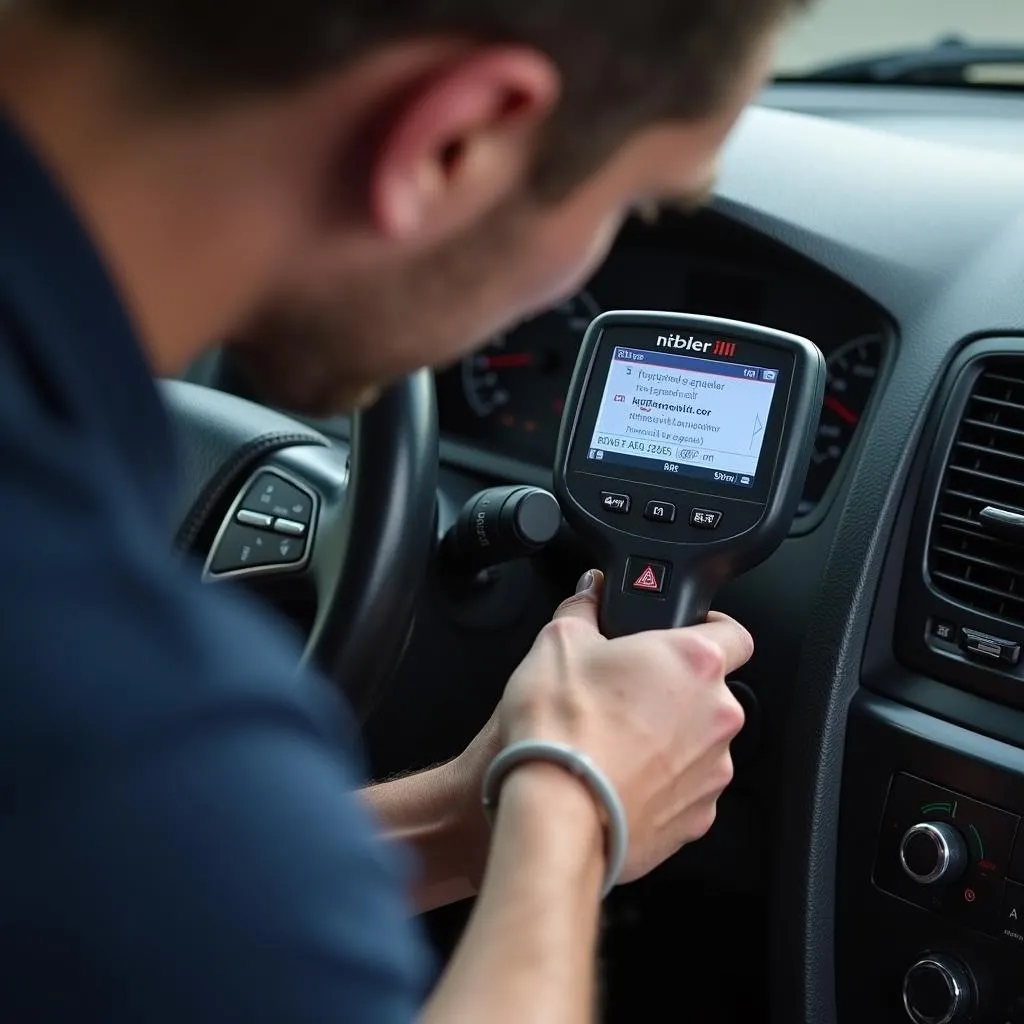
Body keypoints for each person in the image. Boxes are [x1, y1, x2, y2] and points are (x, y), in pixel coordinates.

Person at [0, 0, 807, 1020]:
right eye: (635, 204)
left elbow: (120, 891)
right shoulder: (132, 712)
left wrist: (475, 814)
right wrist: (570, 801)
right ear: (455, 141)